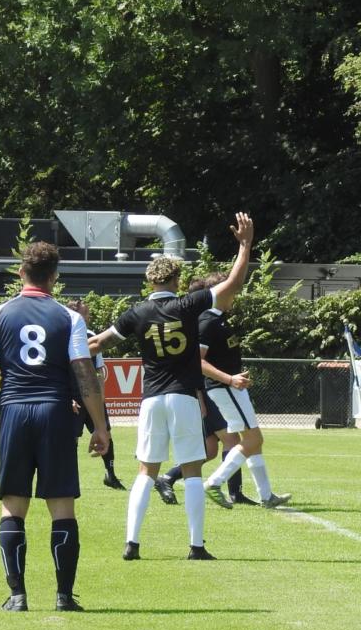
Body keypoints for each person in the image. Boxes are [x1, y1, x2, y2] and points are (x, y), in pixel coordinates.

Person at [88, 212, 254, 560]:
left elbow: (97, 344)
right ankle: (196, 546)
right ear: (177, 280)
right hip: (183, 397)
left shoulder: (134, 314)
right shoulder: (189, 304)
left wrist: (66, 353)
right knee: (192, 469)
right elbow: (233, 284)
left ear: (149, 282)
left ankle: (131, 544)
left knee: (146, 471)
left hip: (150, 400)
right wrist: (244, 245)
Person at [0, 242, 110, 612]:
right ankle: (63, 597)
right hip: (56, 413)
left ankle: (18, 595)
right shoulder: (70, 318)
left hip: (14, 411)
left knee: (13, 505)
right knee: (62, 506)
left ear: (21, 273)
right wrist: (100, 427)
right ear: (54, 278)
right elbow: (83, 372)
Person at [154, 275, 255, 506]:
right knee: (232, 439)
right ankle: (235, 493)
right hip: (207, 392)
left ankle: (167, 477)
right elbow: (197, 362)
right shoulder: (203, 321)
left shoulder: (209, 319)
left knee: (209, 450)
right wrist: (225, 381)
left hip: (204, 392)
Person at [197, 272, 292, 510]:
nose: (235, 295)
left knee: (253, 443)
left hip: (230, 387)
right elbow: (197, 361)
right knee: (254, 438)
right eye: (231, 290)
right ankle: (214, 482)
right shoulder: (207, 321)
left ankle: (266, 495)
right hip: (224, 388)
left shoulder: (219, 319)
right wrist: (230, 379)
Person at [67, 300, 125, 490]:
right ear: (74, 315)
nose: (88, 317)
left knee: (105, 433)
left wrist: (101, 396)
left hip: (92, 396)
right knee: (70, 438)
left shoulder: (91, 336)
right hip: (73, 396)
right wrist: (67, 397)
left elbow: (99, 369)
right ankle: (69, 478)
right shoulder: (62, 336)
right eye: (86, 314)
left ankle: (111, 475)